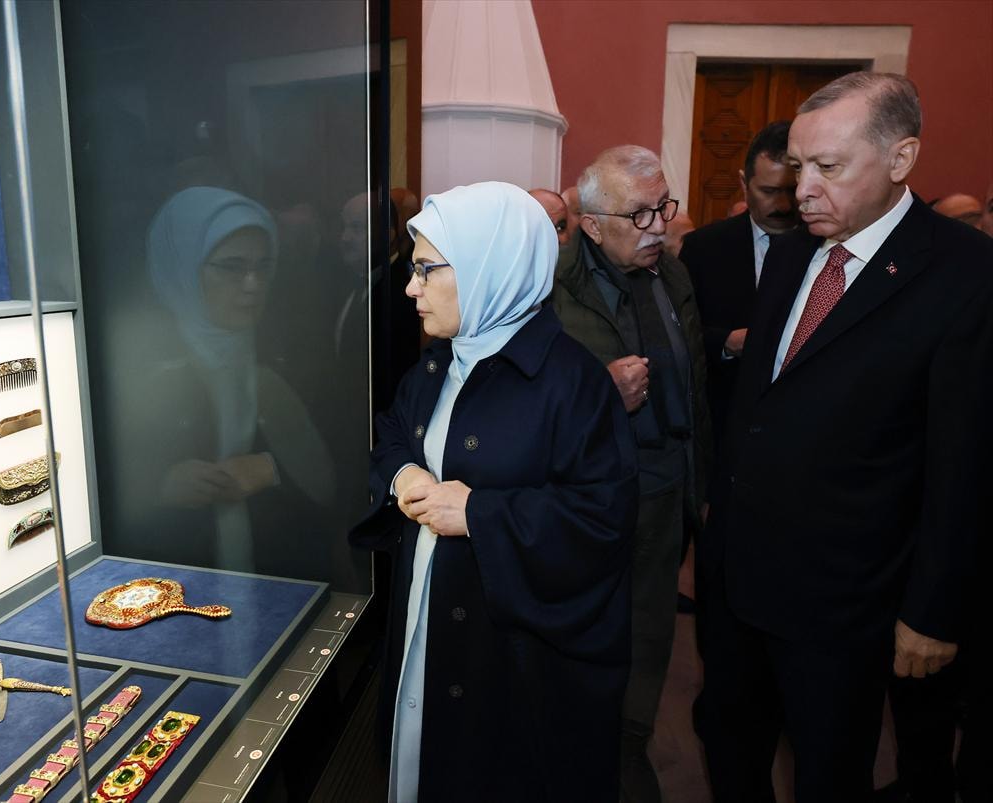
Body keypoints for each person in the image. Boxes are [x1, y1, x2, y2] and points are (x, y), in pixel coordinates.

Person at [695, 72, 993, 803]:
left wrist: (933, 611)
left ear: (900, 158)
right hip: (737, 583)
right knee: (731, 751)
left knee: (829, 772)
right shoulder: (792, 252)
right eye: (800, 167)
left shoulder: (968, 273)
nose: (803, 190)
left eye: (828, 167)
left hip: (847, 602)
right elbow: (759, 405)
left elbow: (965, 463)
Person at [350, 181, 638, 802]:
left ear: (489, 268)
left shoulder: (575, 384)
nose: (410, 288)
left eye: (425, 270)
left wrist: (479, 513)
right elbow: (394, 430)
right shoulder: (440, 362)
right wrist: (404, 475)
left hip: (513, 664)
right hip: (427, 617)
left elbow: (603, 523)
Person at [551, 145, 710, 803]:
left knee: (649, 631)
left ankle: (629, 745)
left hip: (666, 488)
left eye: (662, 207)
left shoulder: (672, 274)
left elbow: (696, 388)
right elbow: (522, 401)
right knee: (583, 631)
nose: (658, 227)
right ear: (590, 224)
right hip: (586, 499)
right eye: (639, 214)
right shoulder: (549, 289)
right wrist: (599, 393)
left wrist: (701, 484)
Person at [125, 186, 336, 577]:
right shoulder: (140, 367)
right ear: (183, 267)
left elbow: (335, 472)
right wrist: (159, 486)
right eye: (231, 267)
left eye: (264, 266)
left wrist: (271, 469)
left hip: (281, 580)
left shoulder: (288, 359)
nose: (253, 284)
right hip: (170, 581)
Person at [680, 121, 799, 449]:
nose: (783, 205)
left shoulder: (827, 246)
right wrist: (726, 343)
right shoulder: (703, 248)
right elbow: (680, 333)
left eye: (791, 191)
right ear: (744, 184)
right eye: (769, 191)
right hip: (726, 428)